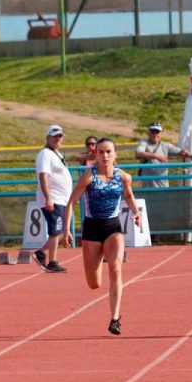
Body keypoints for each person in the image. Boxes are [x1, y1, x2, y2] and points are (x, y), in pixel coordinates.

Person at [62, 137, 141, 335]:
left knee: (115, 269)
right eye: (101, 152)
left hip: (113, 228)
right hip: (91, 230)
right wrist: (66, 230)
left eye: (108, 152)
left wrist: (135, 211)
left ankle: (115, 319)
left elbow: (129, 196)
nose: (105, 156)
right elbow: (71, 203)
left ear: (115, 154)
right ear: (95, 154)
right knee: (94, 283)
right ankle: (106, 301)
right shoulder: (89, 176)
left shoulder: (123, 177)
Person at [34, 124, 74, 273]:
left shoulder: (56, 153)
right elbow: (43, 177)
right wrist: (48, 198)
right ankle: (52, 261)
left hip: (61, 199)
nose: (58, 139)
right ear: (48, 137)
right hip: (53, 198)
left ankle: (41, 252)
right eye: (55, 136)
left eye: (60, 136)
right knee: (55, 230)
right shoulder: (45, 154)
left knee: (63, 230)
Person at [135, 122, 190, 189]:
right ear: (148, 133)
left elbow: (181, 151)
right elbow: (138, 153)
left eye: (157, 132)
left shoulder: (166, 145)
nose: (155, 134)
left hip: (163, 186)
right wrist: (157, 156)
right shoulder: (144, 143)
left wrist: (184, 152)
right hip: (147, 187)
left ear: (161, 134)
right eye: (152, 132)